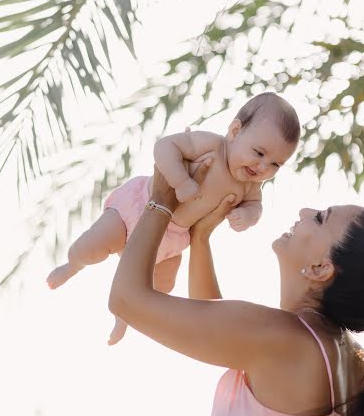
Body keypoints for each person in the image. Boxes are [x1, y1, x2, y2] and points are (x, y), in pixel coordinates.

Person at [108, 160, 364, 416]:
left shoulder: (287, 339)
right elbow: (216, 329)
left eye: (320, 218)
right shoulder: (345, 356)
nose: (305, 212)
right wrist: (200, 238)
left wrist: (160, 200)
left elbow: (125, 300)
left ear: (321, 268)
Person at [47, 92, 300, 344]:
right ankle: (73, 264)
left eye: (276, 164)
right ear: (235, 131)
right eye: (259, 153)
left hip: (175, 237)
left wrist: (247, 216)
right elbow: (165, 146)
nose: (263, 167)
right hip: (140, 208)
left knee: (160, 289)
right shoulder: (212, 145)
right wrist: (181, 180)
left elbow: (256, 207)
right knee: (92, 246)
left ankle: (125, 316)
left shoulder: (251, 188)